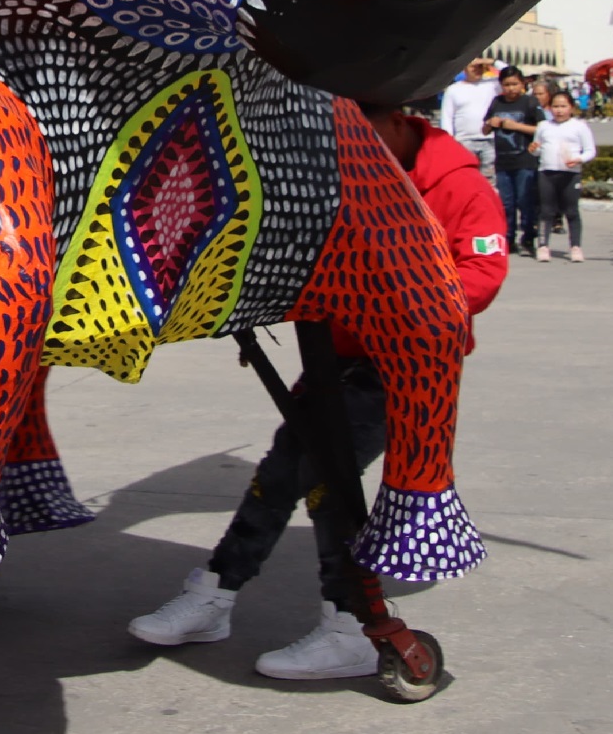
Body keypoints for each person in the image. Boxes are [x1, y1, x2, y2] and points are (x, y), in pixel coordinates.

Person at [126, 101, 507, 679]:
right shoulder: (346, 177)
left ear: (400, 119)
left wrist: (394, 303)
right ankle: (217, 596)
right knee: (281, 473)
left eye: (362, 130)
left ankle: (349, 625)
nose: (349, 145)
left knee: (324, 482)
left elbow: (482, 276)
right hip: (333, 362)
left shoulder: (460, 186)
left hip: (398, 370)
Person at [484, 65, 544, 257]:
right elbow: (485, 129)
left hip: (525, 160)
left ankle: (528, 237)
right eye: (506, 84)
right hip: (503, 161)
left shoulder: (530, 102)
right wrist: (489, 124)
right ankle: (508, 238)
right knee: (506, 203)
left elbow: (542, 130)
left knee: (525, 201)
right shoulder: (497, 102)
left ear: (522, 84)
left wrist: (515, 126)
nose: (510, 88)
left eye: (514, 84)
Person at [533, 90, 596, 263]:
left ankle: (575, 246)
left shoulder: (579, 126)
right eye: (555, 106)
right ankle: (543, 245)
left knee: (571, 211)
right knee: (546, 211)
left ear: (571, 108)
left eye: (563, 106)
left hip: (570, 174)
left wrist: (579, 159)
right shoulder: (543, 126)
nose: (559, 110)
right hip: (547, 172)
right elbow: (538, 149)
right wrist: (534, 150)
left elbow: (590, 150)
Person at [438, 62, 499, 178]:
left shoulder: (492, 85)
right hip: (464, 141)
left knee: (490, 180)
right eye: (473, 67)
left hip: (490, 140)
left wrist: (490, 61)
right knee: (468, 176)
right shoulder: (453, 89)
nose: (477, 70)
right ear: (465, 68)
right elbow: (447, 117)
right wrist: (449, 142)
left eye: (480, 67)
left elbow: (509, 72)